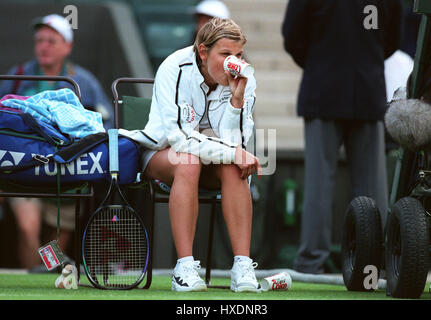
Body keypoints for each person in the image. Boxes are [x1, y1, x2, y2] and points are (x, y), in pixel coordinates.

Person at [119, 18, 261, 292]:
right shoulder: (174, 66)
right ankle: (184, 267)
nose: (234, 62)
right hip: (162, 154)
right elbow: (179, 139)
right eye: (226, 55)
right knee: (188, 160)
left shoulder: (245, 78)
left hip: (213, 160)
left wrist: (236, 101)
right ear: (203, 52)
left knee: (235, 167)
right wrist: (232, 152)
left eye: (238, 55)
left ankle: (242, 266)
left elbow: (238, 143)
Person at [282, 0, 403, 274]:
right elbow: (393, 39)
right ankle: (374, 263)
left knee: (318, 184)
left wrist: (320, 61)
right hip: (367, 87)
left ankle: (311, 263)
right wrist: (363, 57)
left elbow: (293, 37)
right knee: (371, 186)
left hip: (323, 88)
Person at [0, 14, 113, 270]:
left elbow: (105, 126)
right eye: (39, 40)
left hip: (65, 171)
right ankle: (35, 281)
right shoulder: (17, 75)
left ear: (67, 47)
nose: (44, 46)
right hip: (22, 169)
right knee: (28, 228)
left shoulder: (84, 82)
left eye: (51, 40)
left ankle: (50, 279)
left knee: (56, 237)